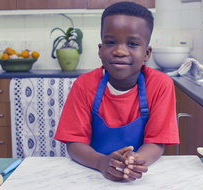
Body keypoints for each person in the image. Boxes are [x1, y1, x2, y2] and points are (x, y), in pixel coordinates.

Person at [55, 1, 179, 182]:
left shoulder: (161, 85)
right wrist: (101, 162)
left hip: (140, 175)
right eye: (111, 42)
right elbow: (74, 143)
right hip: (91, 173)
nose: (120, 51)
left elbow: (156, 141)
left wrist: (134, 162)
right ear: (100, 49)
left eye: (132, 44)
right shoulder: (84, 85)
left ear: (147, 53)